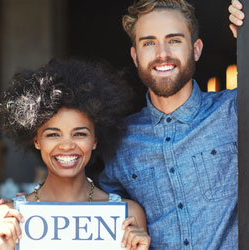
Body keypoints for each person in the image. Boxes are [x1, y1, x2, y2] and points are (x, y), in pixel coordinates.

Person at [99, 0, 238, 249]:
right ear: (135, 56)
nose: (162, 53)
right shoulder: (119, 140)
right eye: (149, 43)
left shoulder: (235, 111)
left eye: (174, 40)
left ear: (196, 49)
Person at [0, 58, 150, 250]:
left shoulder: (128, 216)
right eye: (53, 134)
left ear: (95, 139)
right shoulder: (8, 217)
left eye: (79, 134)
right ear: (36, 140)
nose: (66, 146)